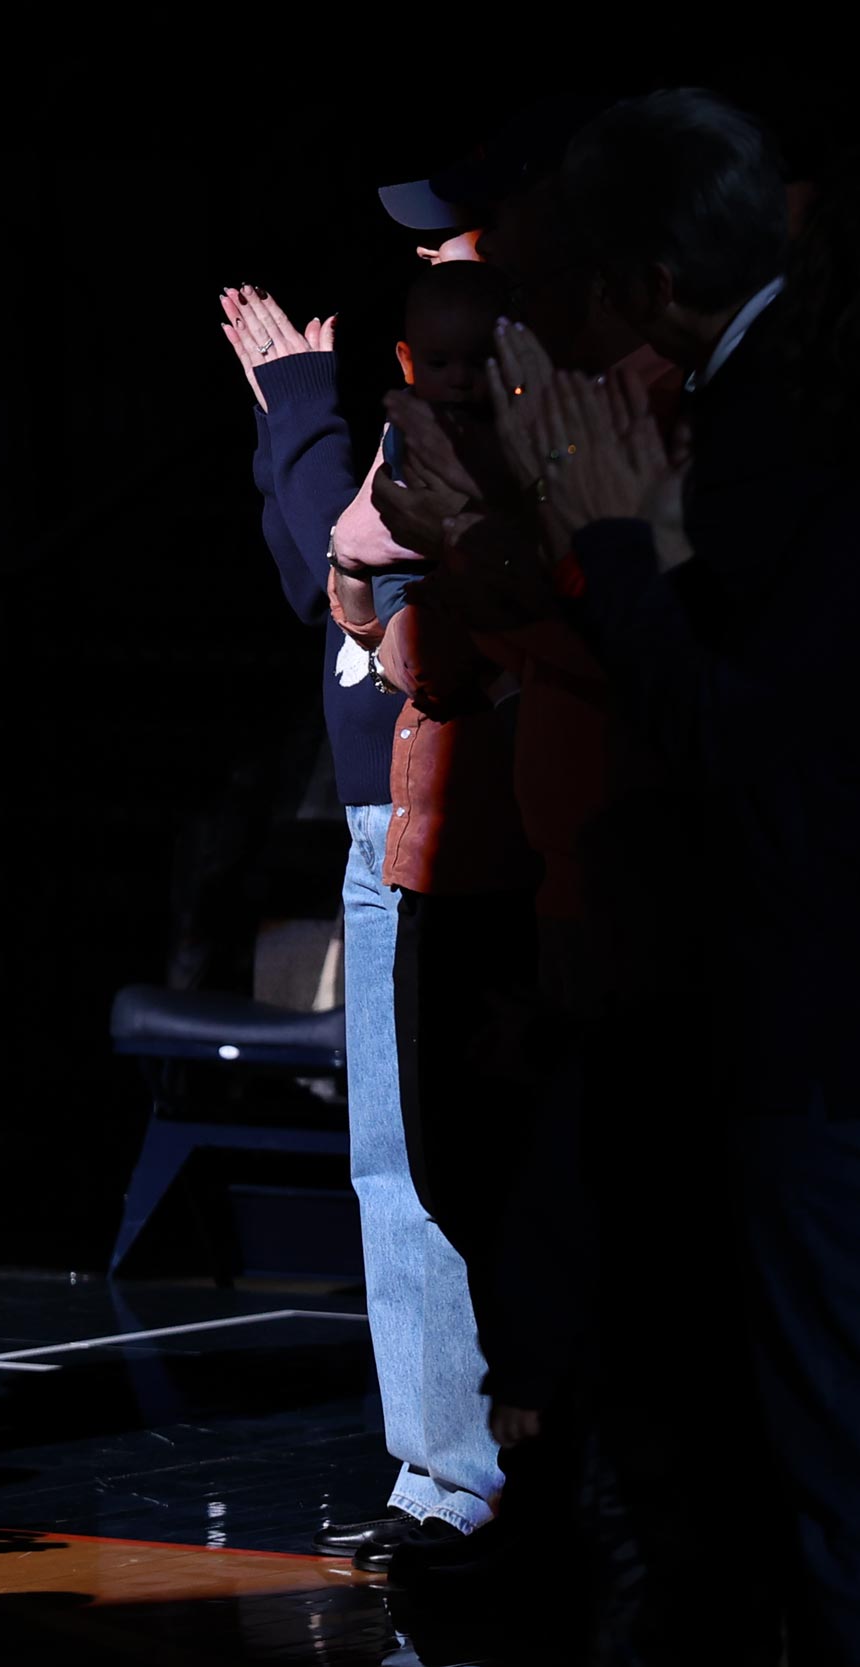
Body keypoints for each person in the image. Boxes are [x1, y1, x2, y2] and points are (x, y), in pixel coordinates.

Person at [552, 91, 856, 1664]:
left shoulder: (783, 409)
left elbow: (735, 722)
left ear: (654, 283)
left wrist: (611, 537)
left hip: (812, 1000)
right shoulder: (787, 380)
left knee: (825, 1441)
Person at [214, 282, 506, 1571]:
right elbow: (315, 573)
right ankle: (441, 1471)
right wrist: (292, 417)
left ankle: (481, 1471)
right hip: (377, 828)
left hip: (474, 825)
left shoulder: (528, 444)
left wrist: (296, 421)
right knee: (390, 1165)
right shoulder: (395, 432)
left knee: (461, 1159)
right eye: (428, 355)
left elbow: (388, 626)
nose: (448, 374)